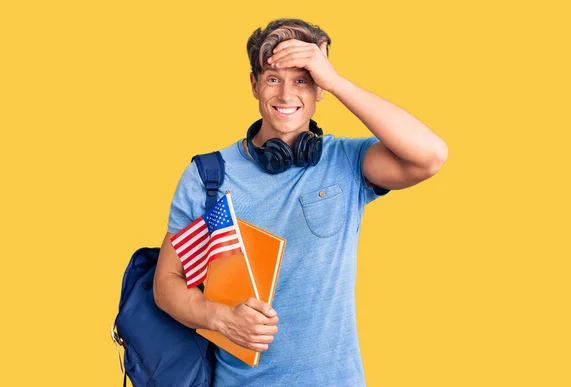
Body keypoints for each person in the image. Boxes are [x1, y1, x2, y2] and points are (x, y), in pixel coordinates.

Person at [154, 18, 448, 386]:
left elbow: (430, 155)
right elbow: (167, 284)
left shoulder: (347, 162)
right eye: (274, 79)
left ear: (319, 89)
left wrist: (336, 80)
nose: (286, 96)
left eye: (303, 80)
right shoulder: (208, 175)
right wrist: (221, 318)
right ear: (254, 84)